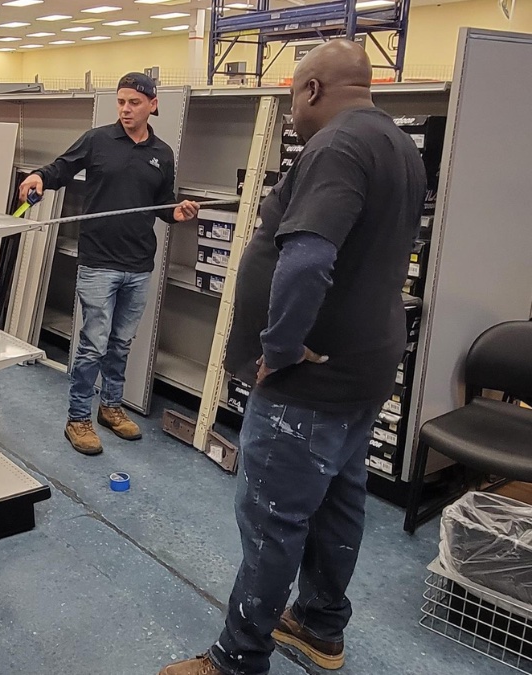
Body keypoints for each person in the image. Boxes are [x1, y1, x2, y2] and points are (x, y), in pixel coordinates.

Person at [160, 40, 426, 675]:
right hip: (361, 370)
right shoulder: (397, 144)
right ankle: (318, 625)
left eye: (290, 98)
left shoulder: (335, 147)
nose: (289, 114)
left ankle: (237, 658)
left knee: (272, 522)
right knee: (339, 502)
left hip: (307, 381)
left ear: (311, 90)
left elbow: (307, 258)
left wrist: (276, 349)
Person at [19, 71, 199, 456]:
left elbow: (163, 204)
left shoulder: (162, 154)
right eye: (120, 102)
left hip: (138, 264)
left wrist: (176, 212)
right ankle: (78, 418)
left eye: (134, 102)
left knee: (120, 344)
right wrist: (38, 176)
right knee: (93, 345)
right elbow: (61, 168)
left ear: (153, 105)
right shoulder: (98, 139)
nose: (126, 109)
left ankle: (111, 409)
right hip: (99, 261)